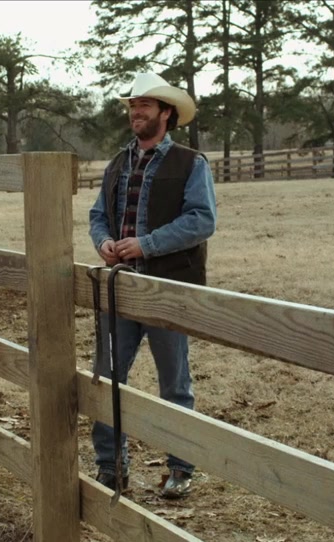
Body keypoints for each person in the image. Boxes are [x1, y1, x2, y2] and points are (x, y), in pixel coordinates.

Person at [88, 72, 217, 499]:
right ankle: (110, 466)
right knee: (107, 376)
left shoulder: (190, 163)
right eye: (132, 105)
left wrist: (146, 244)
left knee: (174, 382)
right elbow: (97, 215)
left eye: (144, 104)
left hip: (167, 289)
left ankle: (180, 467)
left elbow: (202, 220)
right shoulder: (117, 163)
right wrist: (104, 242)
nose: (135, 112)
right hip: (120, 287)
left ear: (166, 112)